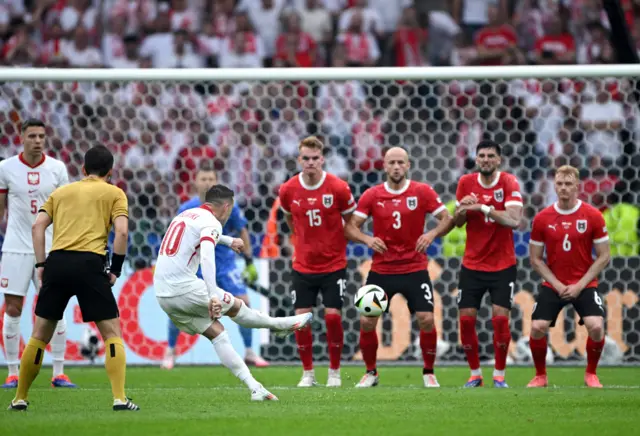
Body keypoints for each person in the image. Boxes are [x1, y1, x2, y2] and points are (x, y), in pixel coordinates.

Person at [153, 184, 312, 401]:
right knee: (238, 307)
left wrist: (228, 241)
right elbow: (208, 256)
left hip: (163, 295)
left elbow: (196, 236)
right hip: (186, 287)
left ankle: (255, 388)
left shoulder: (186, 215)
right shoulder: (212, 222)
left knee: (218, 333)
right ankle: (279, 326)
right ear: (226, 207)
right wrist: (213, 295)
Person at [9, 145, 137, 411]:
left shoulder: (61, 192)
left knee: (39, 335)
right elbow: (122, 233)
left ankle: (20, 397)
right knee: (112, 333)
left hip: (57, 261)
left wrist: (41, 263)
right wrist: (116, 269)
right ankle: (119, 398)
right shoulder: (115, 193)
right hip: (90, 263)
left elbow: (38, 226)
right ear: (111, 172)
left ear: (82, 169)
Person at [345, 147, 453, 388]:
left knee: (426, 318)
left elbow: (448, 218)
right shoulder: (372, 195)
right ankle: (371, 372)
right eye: (391, 162)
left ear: (408, 165)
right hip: (382, 270)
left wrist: (432, 234)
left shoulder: (422, 192)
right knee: (367, 321)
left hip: (414, 268)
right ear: (384, 166)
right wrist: (367, 239)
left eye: (400, 162)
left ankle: (428, 372)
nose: (396, 167)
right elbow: (350, 227)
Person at [162, 162, 268, 370]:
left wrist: (248, 261)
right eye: (204, 179)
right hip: (198, 265)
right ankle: (171, 350)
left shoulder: (229, 206)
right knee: (179, 306)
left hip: (225, 263)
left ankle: (249, 351)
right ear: (196, 182)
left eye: (211, 179)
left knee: (244, 301)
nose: (207, 183)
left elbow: (242, 231)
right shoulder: (187, 209)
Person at [0, 119, 76, 389]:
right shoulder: (5, 168)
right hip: (16, 247)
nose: (37, 140)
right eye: (32, 135)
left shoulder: (57, 169)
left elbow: (65, 209)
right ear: (22, 138)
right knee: (13, 308)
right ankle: (12, 372)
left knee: (56, 308)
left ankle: (58, 372)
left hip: (50, 248)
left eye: (41, 136)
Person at [278, 136, 357, 388]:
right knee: (301, 320)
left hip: (334, 264)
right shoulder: (288, 189)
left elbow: (351, 221)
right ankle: (308, 373)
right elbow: (290, 221)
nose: (310, 163)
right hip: (303, 265)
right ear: (299, 159)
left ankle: (334, 372)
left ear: (322, 159)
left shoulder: (338, 187)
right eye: (306, 159)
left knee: (333, 317)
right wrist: (301, 242)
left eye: (315, 158)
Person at [528, 165, 610, 388]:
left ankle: (591, 374)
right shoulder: (543, 218)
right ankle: (540, 376)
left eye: (568, 184)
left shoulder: (593, 215)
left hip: (584, 284)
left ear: (577, 186)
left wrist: (580, 285)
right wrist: (556, 283)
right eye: (560, 184)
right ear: (555, 186)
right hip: (554, 284)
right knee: (537, 327)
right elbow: (535, 259)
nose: (563, 188)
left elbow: (604, 256)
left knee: (595, 326)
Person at [453, 140, 523, 388]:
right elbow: (458, 222)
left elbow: (514, 220)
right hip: (472, 264)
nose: (485, 159)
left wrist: (483, 206)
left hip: (503, 265)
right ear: (476, 158)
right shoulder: (465, 183)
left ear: (498, 160)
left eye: (490, 156)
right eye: (481, 155)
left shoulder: (509, 182)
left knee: (500, 319)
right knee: (466, 319)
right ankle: (474, 374)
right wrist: (463, 207)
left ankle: (499, 375)